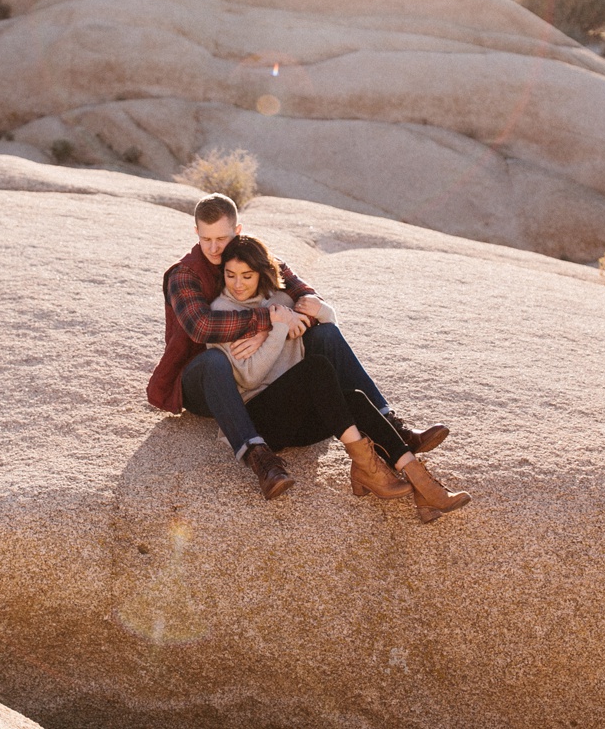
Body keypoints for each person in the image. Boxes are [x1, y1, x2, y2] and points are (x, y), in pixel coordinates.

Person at [146, 192, 451, 502]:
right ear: (195, 232)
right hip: (203, 380)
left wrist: (297, 312)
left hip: (255, 373)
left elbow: (306, 297)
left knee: (325, 337)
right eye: (206, 238)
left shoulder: (252, 258)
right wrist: (269, 320)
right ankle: (259, 459)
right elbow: (203, 327)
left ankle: (392, 428)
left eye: (222, 238)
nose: (214, 248)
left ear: (238, 231)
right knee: (213, 361)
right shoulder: (183, 275)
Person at [210, 234, 470, 522]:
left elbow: (329, 332)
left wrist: (324, 311)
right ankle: (365, 464)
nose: (237, 283)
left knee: (355, 400)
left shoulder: (283, 300)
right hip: (263, 420)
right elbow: (248, 378)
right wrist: (278, 329)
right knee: (316, 368)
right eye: (230, 275)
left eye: (247, 275)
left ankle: (423, 485)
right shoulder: (222, 313)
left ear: (262, 273)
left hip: (301, 421)